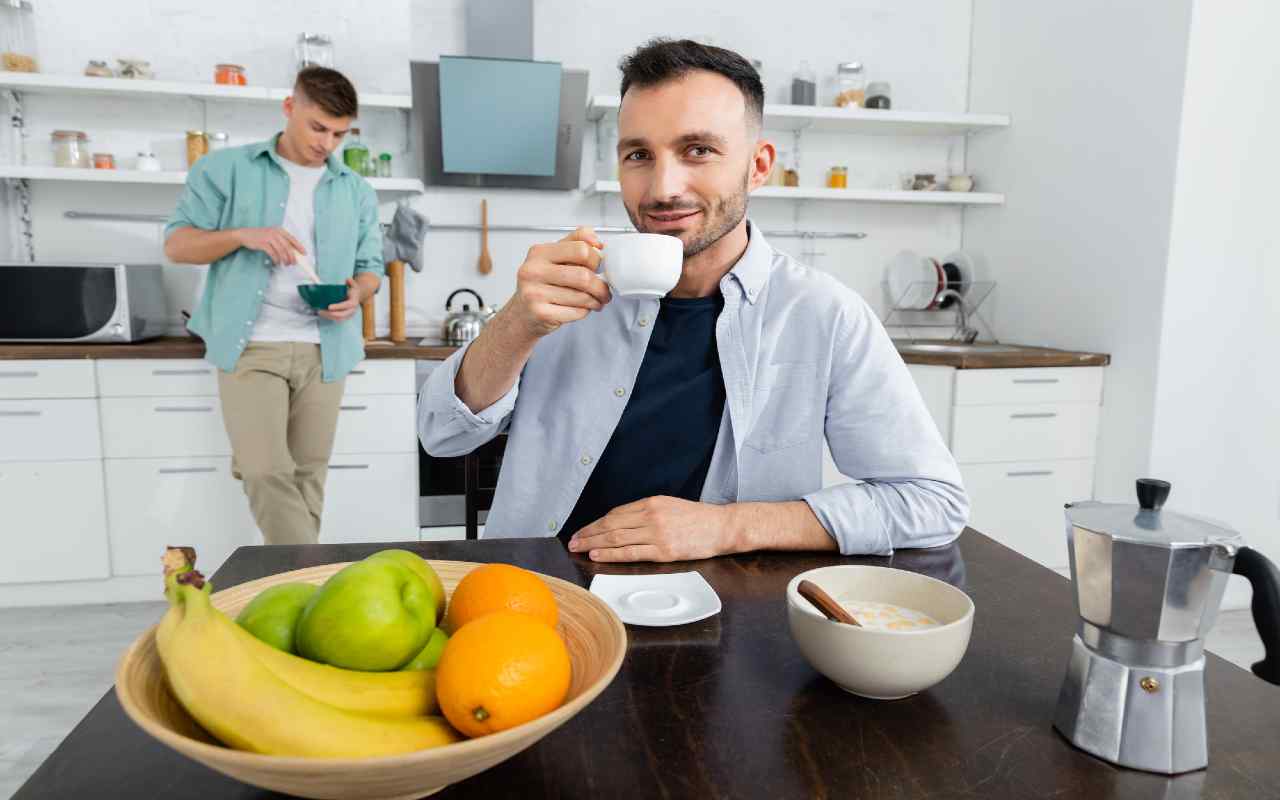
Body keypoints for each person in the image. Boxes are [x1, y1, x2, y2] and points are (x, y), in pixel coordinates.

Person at [419, 39, 968, 562]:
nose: (662, 188)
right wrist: (515, 323)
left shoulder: (824, 315)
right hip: (538, 595)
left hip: (726, 614)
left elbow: (931, 501)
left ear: (758, 164)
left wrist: (729, 526)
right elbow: (441, 435)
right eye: (639, 154)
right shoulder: (565, 290)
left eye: (698, 150)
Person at [164, 66, 383, 545]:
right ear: (290, 108)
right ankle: (311, 577)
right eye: (317, 127)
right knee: (264, 471)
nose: (327, 143)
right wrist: (245, 235)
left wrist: (357, 294)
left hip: (326, 349)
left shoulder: (355, 191)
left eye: (339, 133)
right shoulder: (226, 169)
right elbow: (178, 246)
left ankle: (292, 588)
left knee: (307, 476)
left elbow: (372, 269)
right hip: (251, 345)